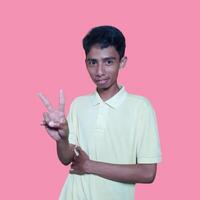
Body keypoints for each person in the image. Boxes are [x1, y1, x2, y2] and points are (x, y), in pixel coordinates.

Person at [38, 25, 162, 200]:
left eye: (108, 62)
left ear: (123, 62)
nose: (99, 71)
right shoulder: (79, 104)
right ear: (86, 63)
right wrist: (62, 139)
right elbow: (67, 159)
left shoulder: (141, 108)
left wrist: (89, 165)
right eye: (93, 62)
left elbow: (148, 173)